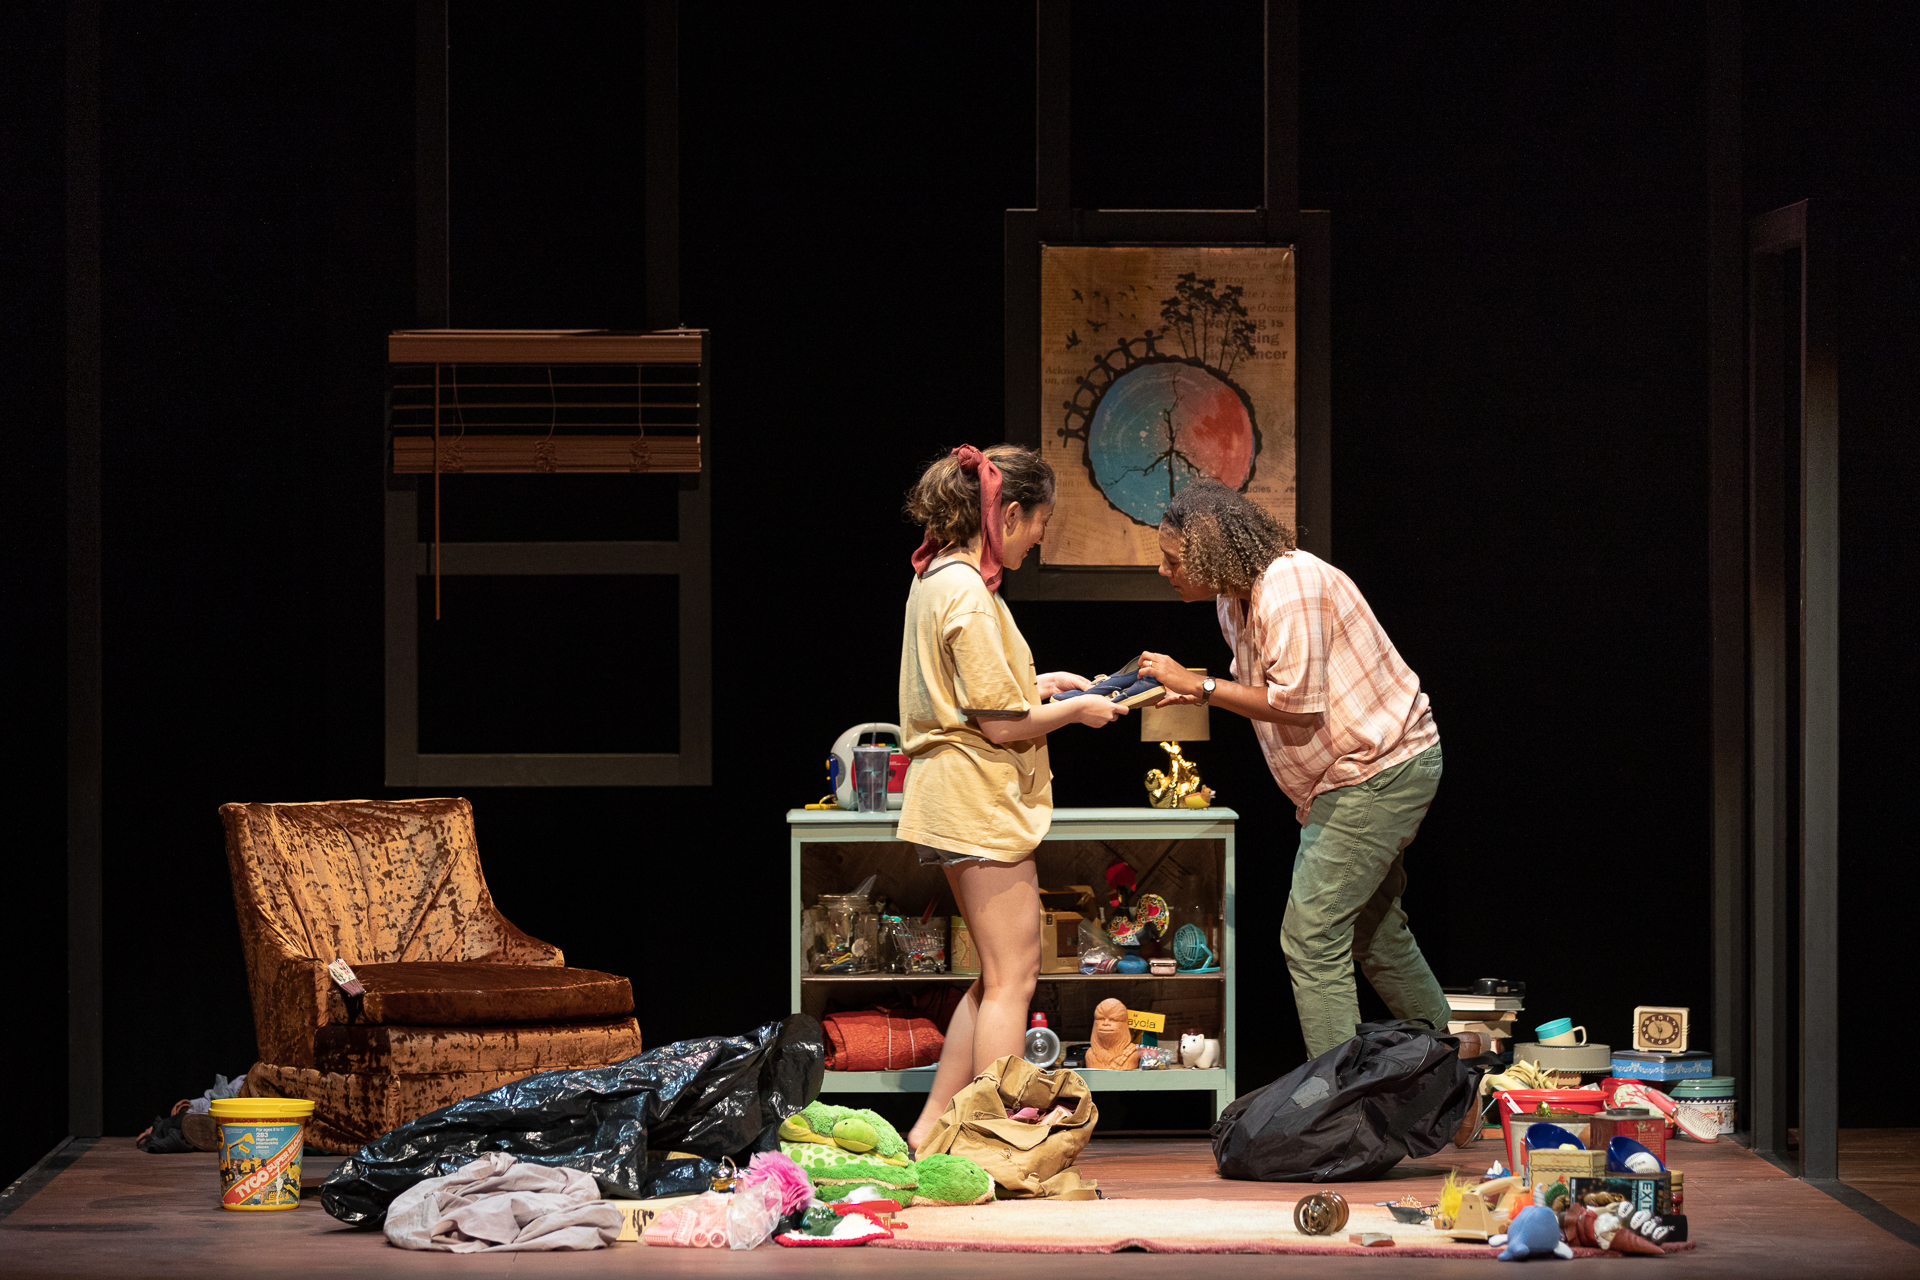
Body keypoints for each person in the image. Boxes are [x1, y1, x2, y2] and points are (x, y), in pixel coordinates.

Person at [1139, 480, 1449, 1058]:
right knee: (1375, 935)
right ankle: (1455, 1073)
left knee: (1311, 937)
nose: (1164, 570)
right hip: (1347, 778)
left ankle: (1334, 1099)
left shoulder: (1288, 584)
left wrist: (1202, 687)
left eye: (1173, 559)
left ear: (1211, 553)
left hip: (1375, 770)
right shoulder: (1233, 600)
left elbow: (1298, 705)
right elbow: (1264, 689)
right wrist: (1194, 693)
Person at [896, 443, 1129, 1150]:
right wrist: (1078, 711)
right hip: (975, 797)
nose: (1039, 538)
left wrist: (1043, 685)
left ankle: (933, 1128)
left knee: (991, 977)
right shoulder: (965, 588)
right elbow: (998, 723)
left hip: (957, 794)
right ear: (1009, 512)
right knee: (1013, 980)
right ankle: (993, 1138)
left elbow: (979, 694)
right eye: (1040, 523)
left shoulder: (938, 577)